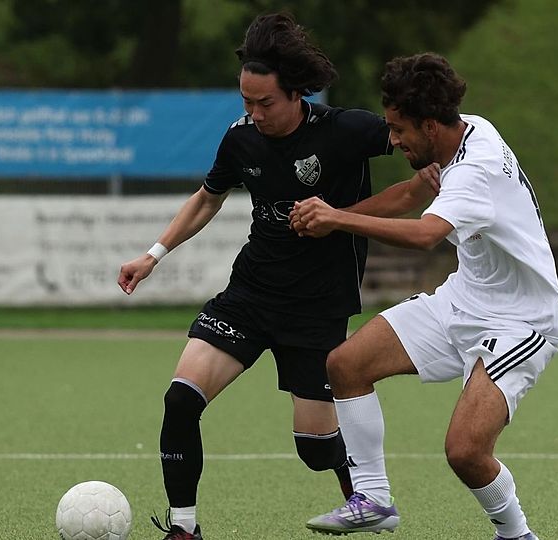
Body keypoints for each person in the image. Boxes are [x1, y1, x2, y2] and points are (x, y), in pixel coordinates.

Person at [117, 13, 438, 540]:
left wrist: (430, 178)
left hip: (317, 307)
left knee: (314, 450)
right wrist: (154, 254)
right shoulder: (241, 138)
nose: (254, 113)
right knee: (180, 400)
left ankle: (367, 497)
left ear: (296, 95)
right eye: (246, 102)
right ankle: (183, 529)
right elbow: (208, 197)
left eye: (265, 103)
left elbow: (417, 151)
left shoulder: (345, 131)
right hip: (251, 293)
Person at [291, 52, 558, 540]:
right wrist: (335, 214)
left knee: (465, 452)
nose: (393, 140)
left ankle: (516, 534)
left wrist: (335, 219)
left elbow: (424, 234)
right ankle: (373, 500)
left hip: (520, 324)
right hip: (462, 301)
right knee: (346, 364)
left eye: (400, 130)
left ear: (431, 125)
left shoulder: (473, 170)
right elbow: (415, 196)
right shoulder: (470, 129)